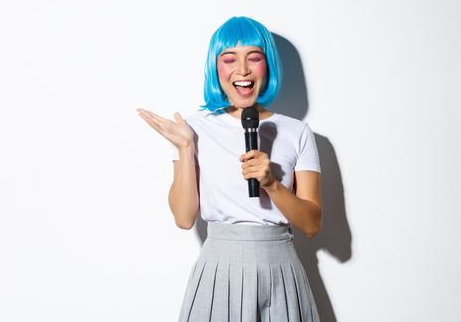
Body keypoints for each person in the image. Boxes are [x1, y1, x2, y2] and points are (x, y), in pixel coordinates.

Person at [137, 16, 322, 321]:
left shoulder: (297, 132)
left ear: (267, 65)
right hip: (219, 269)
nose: (243, 70)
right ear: (216, 67)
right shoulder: (193, 130)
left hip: (281, 270)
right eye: (229, 59)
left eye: (254, 57)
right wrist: (185, 148)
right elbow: (184, 218)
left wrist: (272, 183)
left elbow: (313, 224)